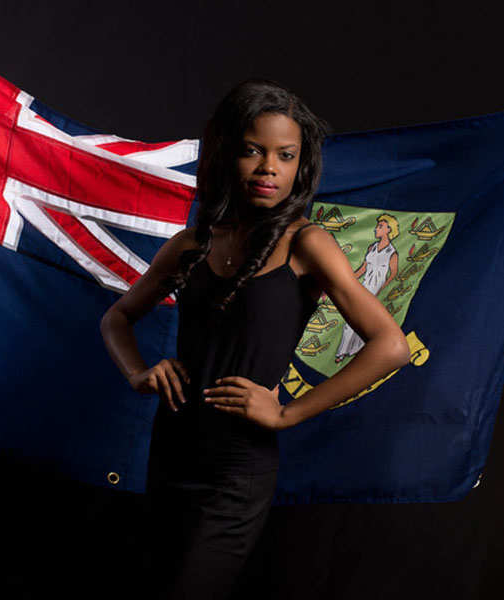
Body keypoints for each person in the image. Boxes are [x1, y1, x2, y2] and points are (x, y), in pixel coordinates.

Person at [99, 78, 411, 599]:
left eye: (285, 156)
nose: (269, 167)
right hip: (171, 451)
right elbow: (117, 318)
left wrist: (288, 413)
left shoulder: (307, 243)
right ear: (227, 153)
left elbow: (391, 345)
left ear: (299, 166)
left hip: (236, 470)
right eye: (253, 151)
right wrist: (138, 372)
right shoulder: (192, 243)